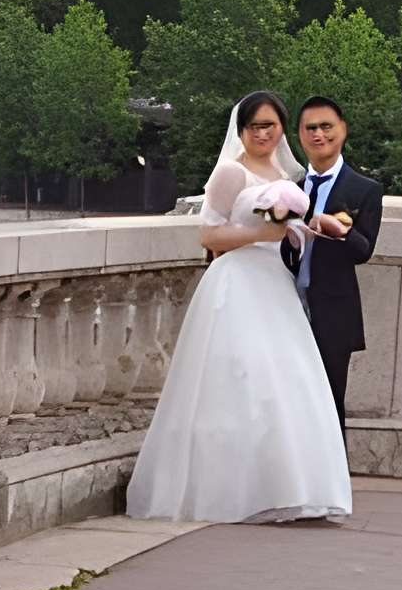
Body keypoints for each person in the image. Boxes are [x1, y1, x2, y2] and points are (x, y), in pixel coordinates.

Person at [125, 91, 353, 525]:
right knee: (239, 378)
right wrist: (259, 234)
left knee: (286, 382)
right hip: (236, 282)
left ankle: (285, 487)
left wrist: (309, 227)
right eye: (254, 127)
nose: (262, 134)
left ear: (282, 129)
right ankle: (228, 491)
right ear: (242, 130)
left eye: (270, 126)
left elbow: (294, 230)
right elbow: (209, 237)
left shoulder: (292, 174)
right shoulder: (231, 172)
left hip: (275, 284)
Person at [282, 97, 384, 423]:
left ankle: (334, 475)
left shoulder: (365, 189)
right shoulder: (287, 188)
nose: (319, 135)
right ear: (299, 135)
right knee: (285, 404)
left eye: (326, 126)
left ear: (343, 129)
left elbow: (363, 251)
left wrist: (338, 230)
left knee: (328, 405)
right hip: (283, 309)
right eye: (310, 128)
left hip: (333, 315)